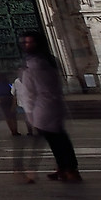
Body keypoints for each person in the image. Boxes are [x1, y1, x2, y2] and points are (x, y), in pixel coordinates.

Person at [18, 32, 78, 182]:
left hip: (42, 107)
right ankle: (65, 168)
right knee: (59, 139)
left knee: (51, 141)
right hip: (54, 105)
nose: (26, 45)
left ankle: (65, 169)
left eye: (29, 42)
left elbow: (29, 91)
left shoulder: (32, 65)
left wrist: (29, 111)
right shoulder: (50, 61)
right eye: (24, 42)